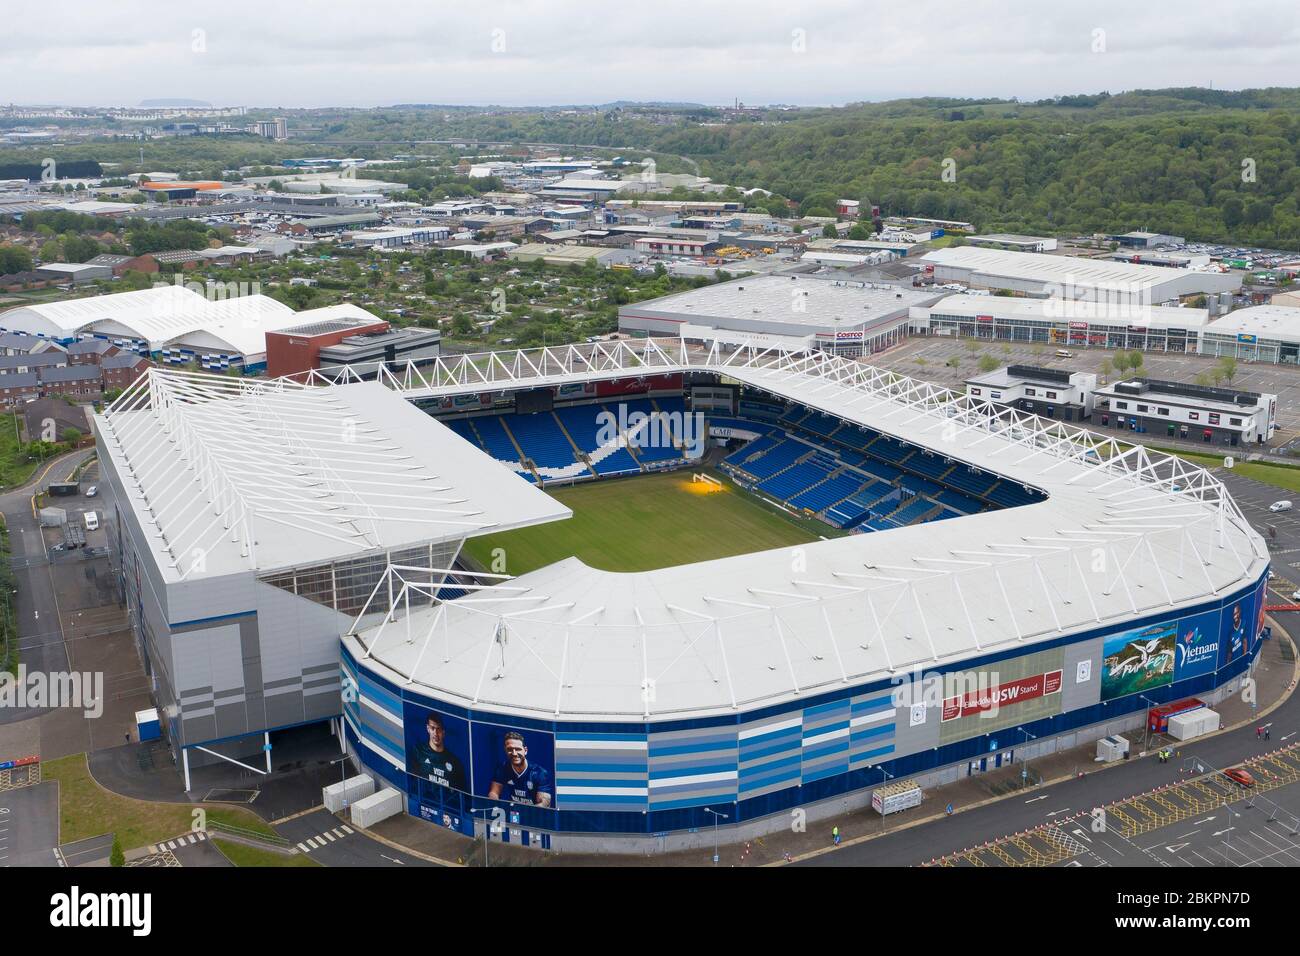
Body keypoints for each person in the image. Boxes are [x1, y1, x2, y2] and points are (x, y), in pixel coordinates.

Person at [487, 731, 553, 807]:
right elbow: (493, 793)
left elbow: (544, 803)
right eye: (510, 749)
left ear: (525, 750)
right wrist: (495, 804)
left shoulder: (539, 773)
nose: (514, 753)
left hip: (534, 814)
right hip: (513, 812)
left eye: (518, 749)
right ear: (505, 750)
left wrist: (529, 814)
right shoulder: (503, 768)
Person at [408, 713, 468, 791]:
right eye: (432, 728)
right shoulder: (418, 751)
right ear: (428, 729)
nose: (435, 733)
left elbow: (462, 792)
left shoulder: (455, 762)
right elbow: (411, 782)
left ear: (443, 732)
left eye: (438, 729)